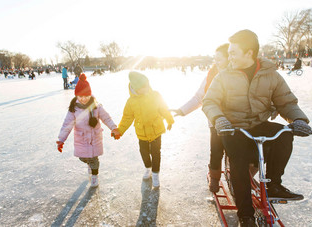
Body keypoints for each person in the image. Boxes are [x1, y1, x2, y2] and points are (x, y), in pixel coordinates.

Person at [202, 29, 312, 226]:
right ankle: (245, 215)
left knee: (284, 135)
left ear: (249, 53)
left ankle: (274, 184)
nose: (230, 56)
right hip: (232, 128)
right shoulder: (224, 75)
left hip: (258, 124)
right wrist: (219, 118)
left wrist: (299, 120)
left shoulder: (270, 74)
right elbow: (209, 101)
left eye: (234, 52)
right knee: (239, 160)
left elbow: (286, 102)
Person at [171, 43, 229, 193]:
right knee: (216, 150)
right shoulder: (211, 75)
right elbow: (199, 97)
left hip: (238, 120)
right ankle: (215, 178)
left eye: (220, 59)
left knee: (237, 152)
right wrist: (182, 110)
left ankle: (240, 177)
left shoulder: (239, 75)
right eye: (215, 58)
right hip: (215, 121)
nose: (216, 62)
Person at [56, 73, 120, 187]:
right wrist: (61, 139)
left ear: (90, 95)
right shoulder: (74, 109)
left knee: (94, 159)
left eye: (86, 96)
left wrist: (114, 128)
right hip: (82, 138)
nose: (84, 99)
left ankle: (95, 176)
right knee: (83, 157)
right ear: (76, 96)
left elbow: (106, 118)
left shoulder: (96, 106)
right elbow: (67, 125)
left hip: (95, 138)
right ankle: (89, 164)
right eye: (80, 96)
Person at [115, 71, 174, 188]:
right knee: (144, 153)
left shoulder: (155, 95)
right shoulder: (131, 102)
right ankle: (148, 167)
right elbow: (127, 118)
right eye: (144, 87)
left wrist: (169, 120)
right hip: (142, 132)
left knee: (156, 153)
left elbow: (164, 109)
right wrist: (120, 130)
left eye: (147, 85)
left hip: (156, 130)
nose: (147, 88)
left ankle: (156, 174)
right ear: (136, 88)